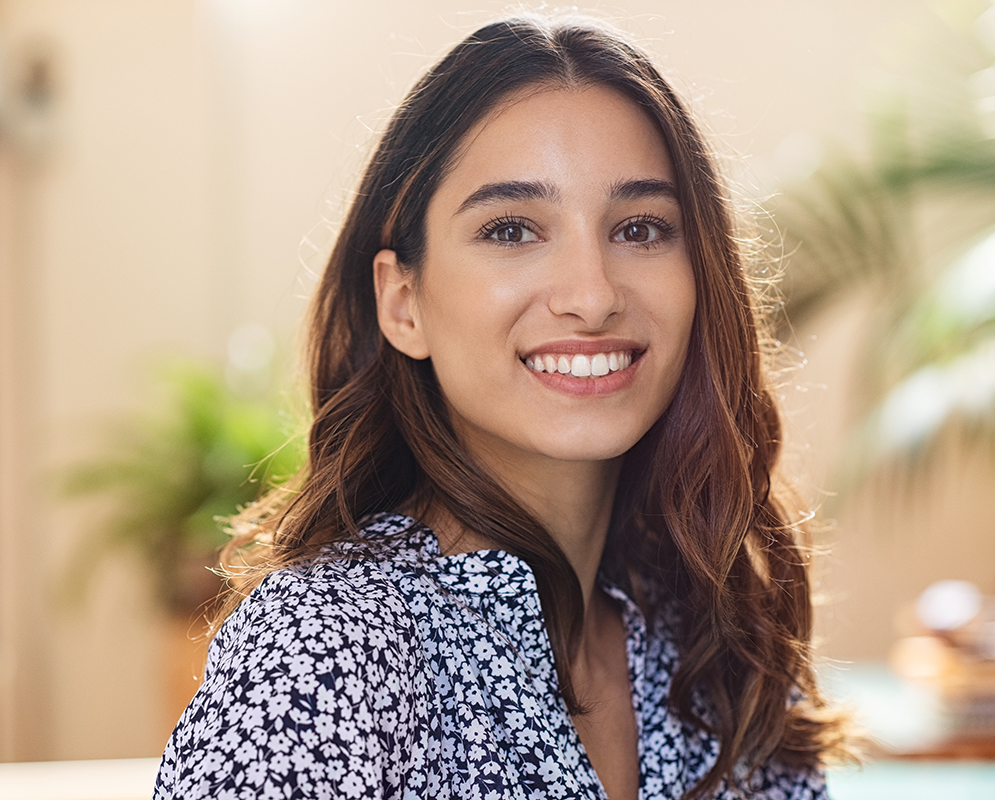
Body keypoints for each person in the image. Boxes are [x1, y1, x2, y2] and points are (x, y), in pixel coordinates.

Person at [153, 15, 846, 800]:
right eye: (512, 229)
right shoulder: (322, 650)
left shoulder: (720, 644)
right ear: (403, 303)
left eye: (640, 228)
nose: (592, 295)